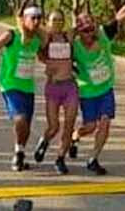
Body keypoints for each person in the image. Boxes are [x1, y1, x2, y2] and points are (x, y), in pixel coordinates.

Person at [68, 0, 125, 176]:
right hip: (87, 92)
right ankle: (75, 136)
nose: (90, 34)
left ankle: (93, 158)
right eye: (84, 31)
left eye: (91, 29)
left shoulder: (103, 34)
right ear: (78, 32)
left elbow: (121, 15)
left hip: (105, 89)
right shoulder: (73, 47)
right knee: (90, 126)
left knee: (105, 122)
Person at [0, 3, 45, 172]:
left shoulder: (37, 40)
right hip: (10, 84)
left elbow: (43, 58)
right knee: (21, 119)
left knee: (27, 126)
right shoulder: (11, 35)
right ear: (24, 19)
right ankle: (18, 155)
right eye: (33, 18)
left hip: (28, 86)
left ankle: (20, 153)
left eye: (39, 18)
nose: (37, 21)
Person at [33, 11, 78, 175]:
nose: (57, 23)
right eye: (54, 20)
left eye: (60, 20)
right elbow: (28, 24)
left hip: (70, 86)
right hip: (53, 87)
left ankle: (60, 158)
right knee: (54, 127)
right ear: (48, 22)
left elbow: (86, 26)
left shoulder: (69, 36)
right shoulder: (45, 37)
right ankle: (44, 141)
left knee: (69, 125)